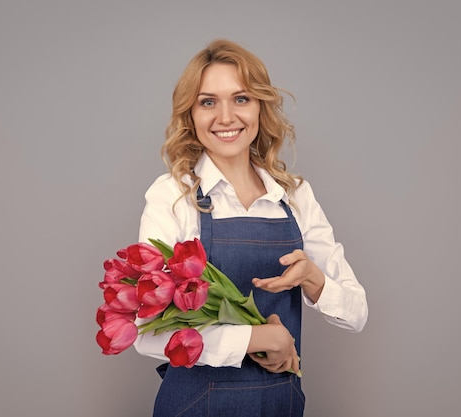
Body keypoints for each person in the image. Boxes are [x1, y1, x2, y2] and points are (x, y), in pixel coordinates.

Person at [134, 39, 368, 417]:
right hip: (195, 406)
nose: (226, 117)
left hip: (280, 403)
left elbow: (356, 313)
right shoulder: (174, 195)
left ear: (260, 106)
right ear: (190, 114)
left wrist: (313, 279)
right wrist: (252, 338)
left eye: (241, 98)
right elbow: (147, 331)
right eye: (208, 101)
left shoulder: (294, 196)